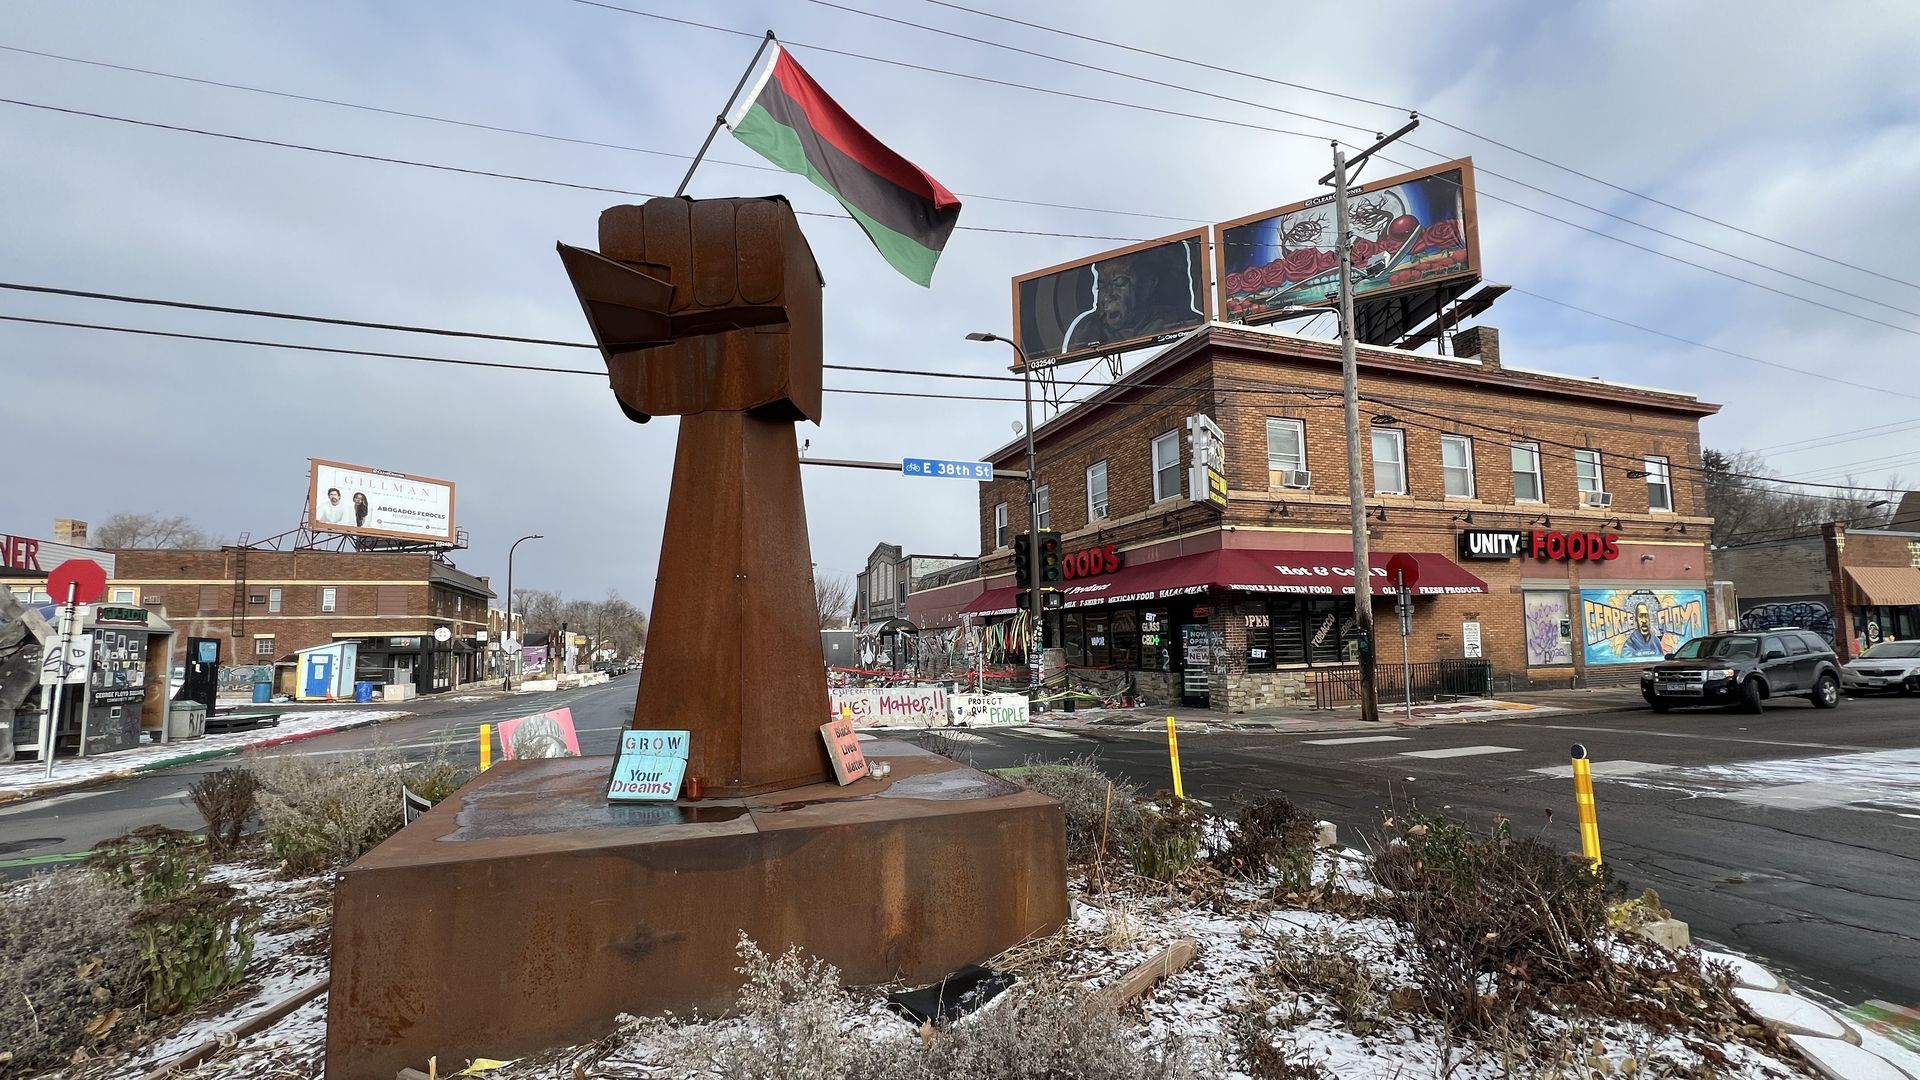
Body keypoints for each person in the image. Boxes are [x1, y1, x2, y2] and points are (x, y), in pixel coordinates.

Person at [1063, 250, 1197, 353]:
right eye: (1102, 285)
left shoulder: (1182, 322)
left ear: (1148, 284)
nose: (1106, 296)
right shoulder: (1087, 330)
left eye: (1119, 282)